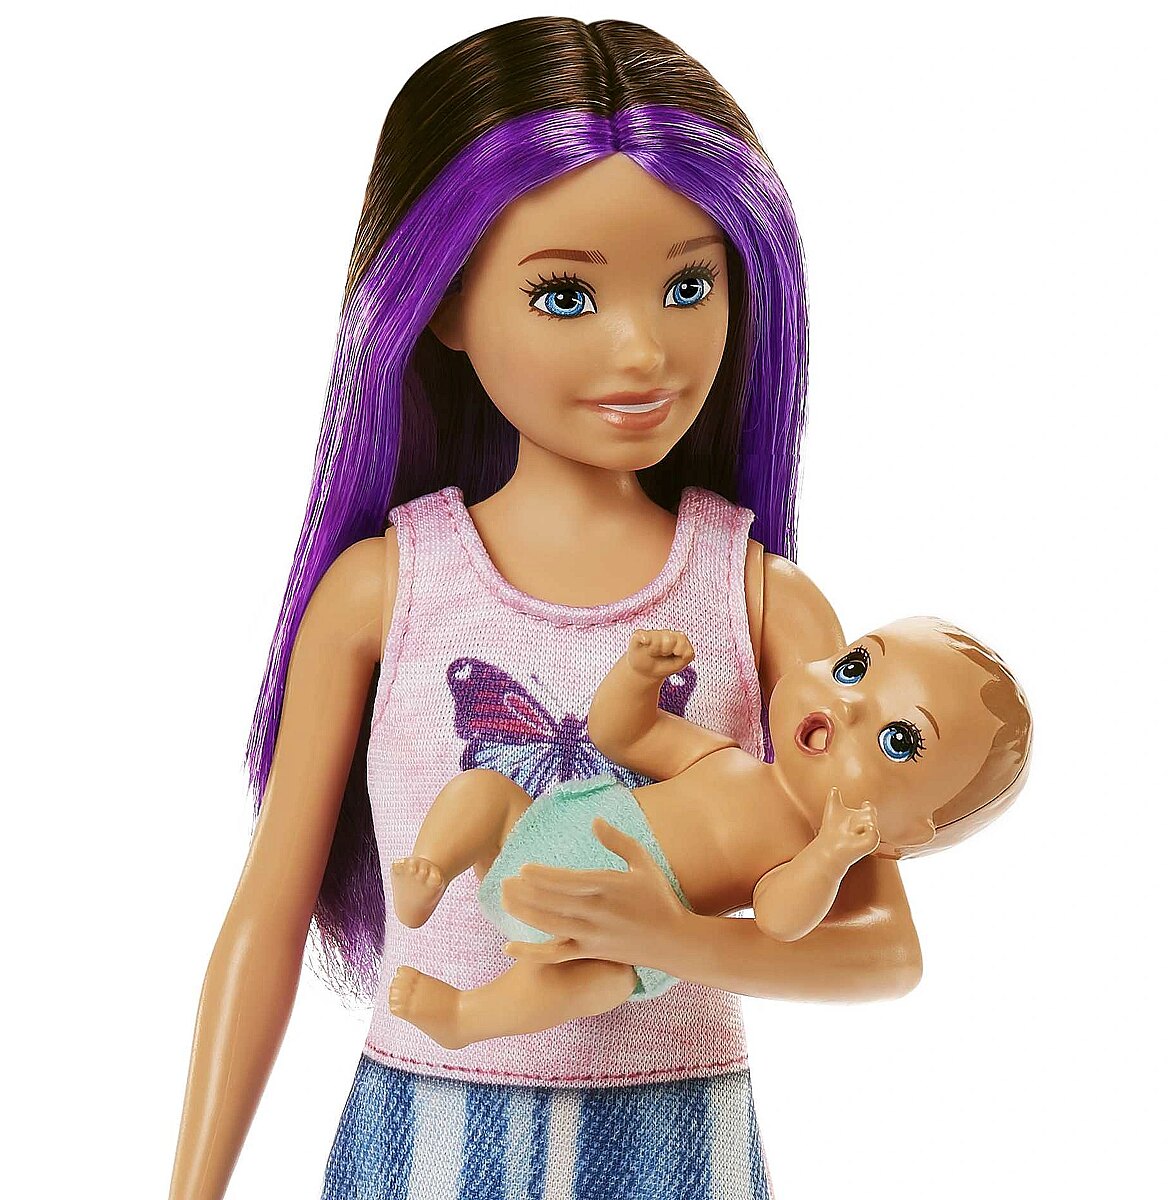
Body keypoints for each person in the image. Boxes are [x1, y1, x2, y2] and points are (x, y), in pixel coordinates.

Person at [168, 18, 924, 1200]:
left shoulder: (763, 601)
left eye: (689, 285)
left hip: (674, 1133)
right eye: (566, 294)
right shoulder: (386, 589)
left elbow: (882, 949)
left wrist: (676, 942)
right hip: (427, 1118)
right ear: (445, 303)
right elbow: (266, 919)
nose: (644, 351)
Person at [388, 619, 1032, 1048]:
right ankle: (431, 872)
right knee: (483, 792)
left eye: (898, 740)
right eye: (854, 666)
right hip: (537, 829)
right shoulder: (727, 759)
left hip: (591, 940)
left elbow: (779, 920)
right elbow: (623, 733)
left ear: (907, 833)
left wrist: (831, 856)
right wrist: (638, 676)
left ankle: (465, 1017)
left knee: (596, 984)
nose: (849, 703)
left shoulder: (796, 853)